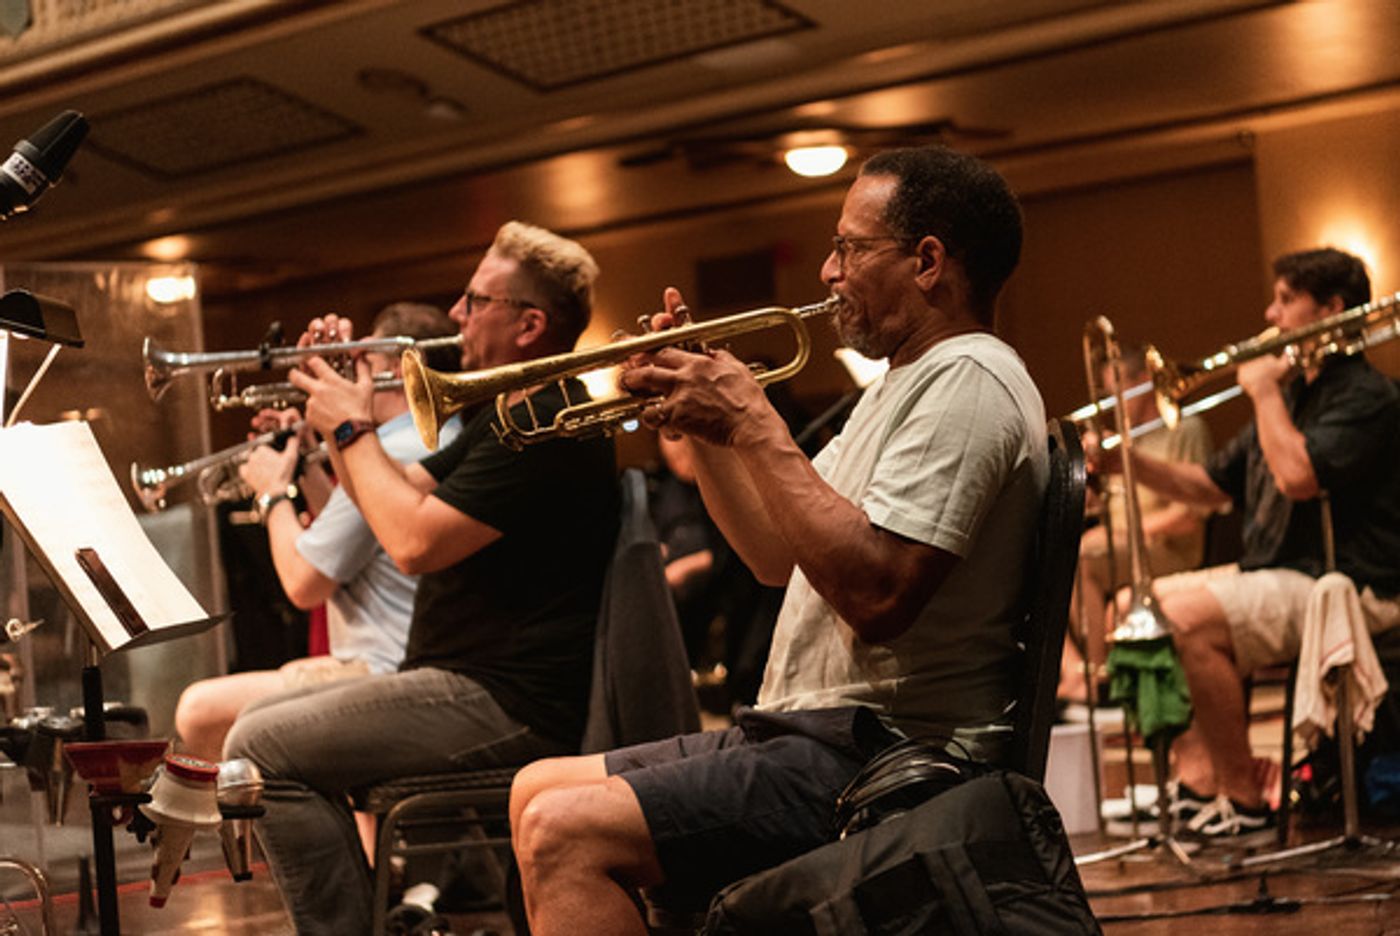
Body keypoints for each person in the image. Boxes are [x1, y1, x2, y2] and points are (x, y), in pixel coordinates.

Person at [509, 145, 1047, 935]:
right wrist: (710, 437)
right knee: (534, 789)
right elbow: (773, 554)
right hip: (814, 734)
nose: (829, 272)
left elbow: (878, 595)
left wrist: (753, 420)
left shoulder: (969, 380)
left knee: (564, 833)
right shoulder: (907, 381)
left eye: (848, 247)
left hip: (887, 757)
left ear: (928, 261)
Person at [223, 221, 618, 936]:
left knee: (257, 750)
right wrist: (334, 411)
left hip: (504, 700)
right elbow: (395, 489)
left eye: (476, 301)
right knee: (254, 738)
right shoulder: (508, 412)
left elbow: (408, 542)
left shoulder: (550, 416)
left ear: (530, 324)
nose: (457, 315)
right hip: (459, 680)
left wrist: (347, 432)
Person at [1108, 247, 1400, 836]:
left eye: (1287, 300)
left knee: (1183, 619)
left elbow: (1299, 477)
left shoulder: (1369, 397)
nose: (1270, 313)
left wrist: (1263, 393)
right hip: (1278, 571)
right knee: (1131, 607)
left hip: (1344, 582)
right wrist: (1124, 462)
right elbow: (1209, 487)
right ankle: (1198, 783)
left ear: (1333, 309)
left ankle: (1243, 797)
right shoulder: (1291, 396)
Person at [173, 302, 459, 763]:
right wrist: (309, 461)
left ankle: (256, 836)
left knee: (199, 711)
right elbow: (354, 542)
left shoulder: (392, 450)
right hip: (393, 659)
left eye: (364, 364)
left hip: (382, 669)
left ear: (401, 368)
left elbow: (306, 583)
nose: (351, 375)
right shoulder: (435, 439)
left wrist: (272, 494)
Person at [1059, 345, 1213, 702]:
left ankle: (1100, 679)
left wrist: (1130, 532)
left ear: (1144, 382)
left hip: (1169, 549)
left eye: (1118, 391)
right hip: (1125, 546)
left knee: (1083, 558)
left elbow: (1188, 517)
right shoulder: (1119, 440)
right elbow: (1106, 508)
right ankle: (1073, 671)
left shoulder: (1185, 429)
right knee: (1048, 555)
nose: (1113, 402)